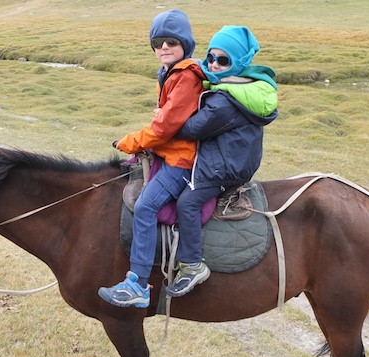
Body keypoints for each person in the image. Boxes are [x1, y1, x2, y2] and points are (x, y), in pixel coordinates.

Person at [98, 9, 206, 308]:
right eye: (157, 43)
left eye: (171, 41)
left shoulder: (186, 76)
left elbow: (163, 128)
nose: (164, 48)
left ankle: (138, 283)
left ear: (185, 42)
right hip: (168, 151)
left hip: (181, 161)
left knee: (145, 206)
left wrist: (130, 142)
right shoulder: (171, 73)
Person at [164, 25, 278, 297]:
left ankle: (192, 265)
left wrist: (167, 121)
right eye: (210, 57)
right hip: (235, 162)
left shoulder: (227, 99)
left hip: (221, 169)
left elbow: (194, 129)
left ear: (238, 63)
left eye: (222, 60)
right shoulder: (242, 88)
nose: (213, 65)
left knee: (187, 203)